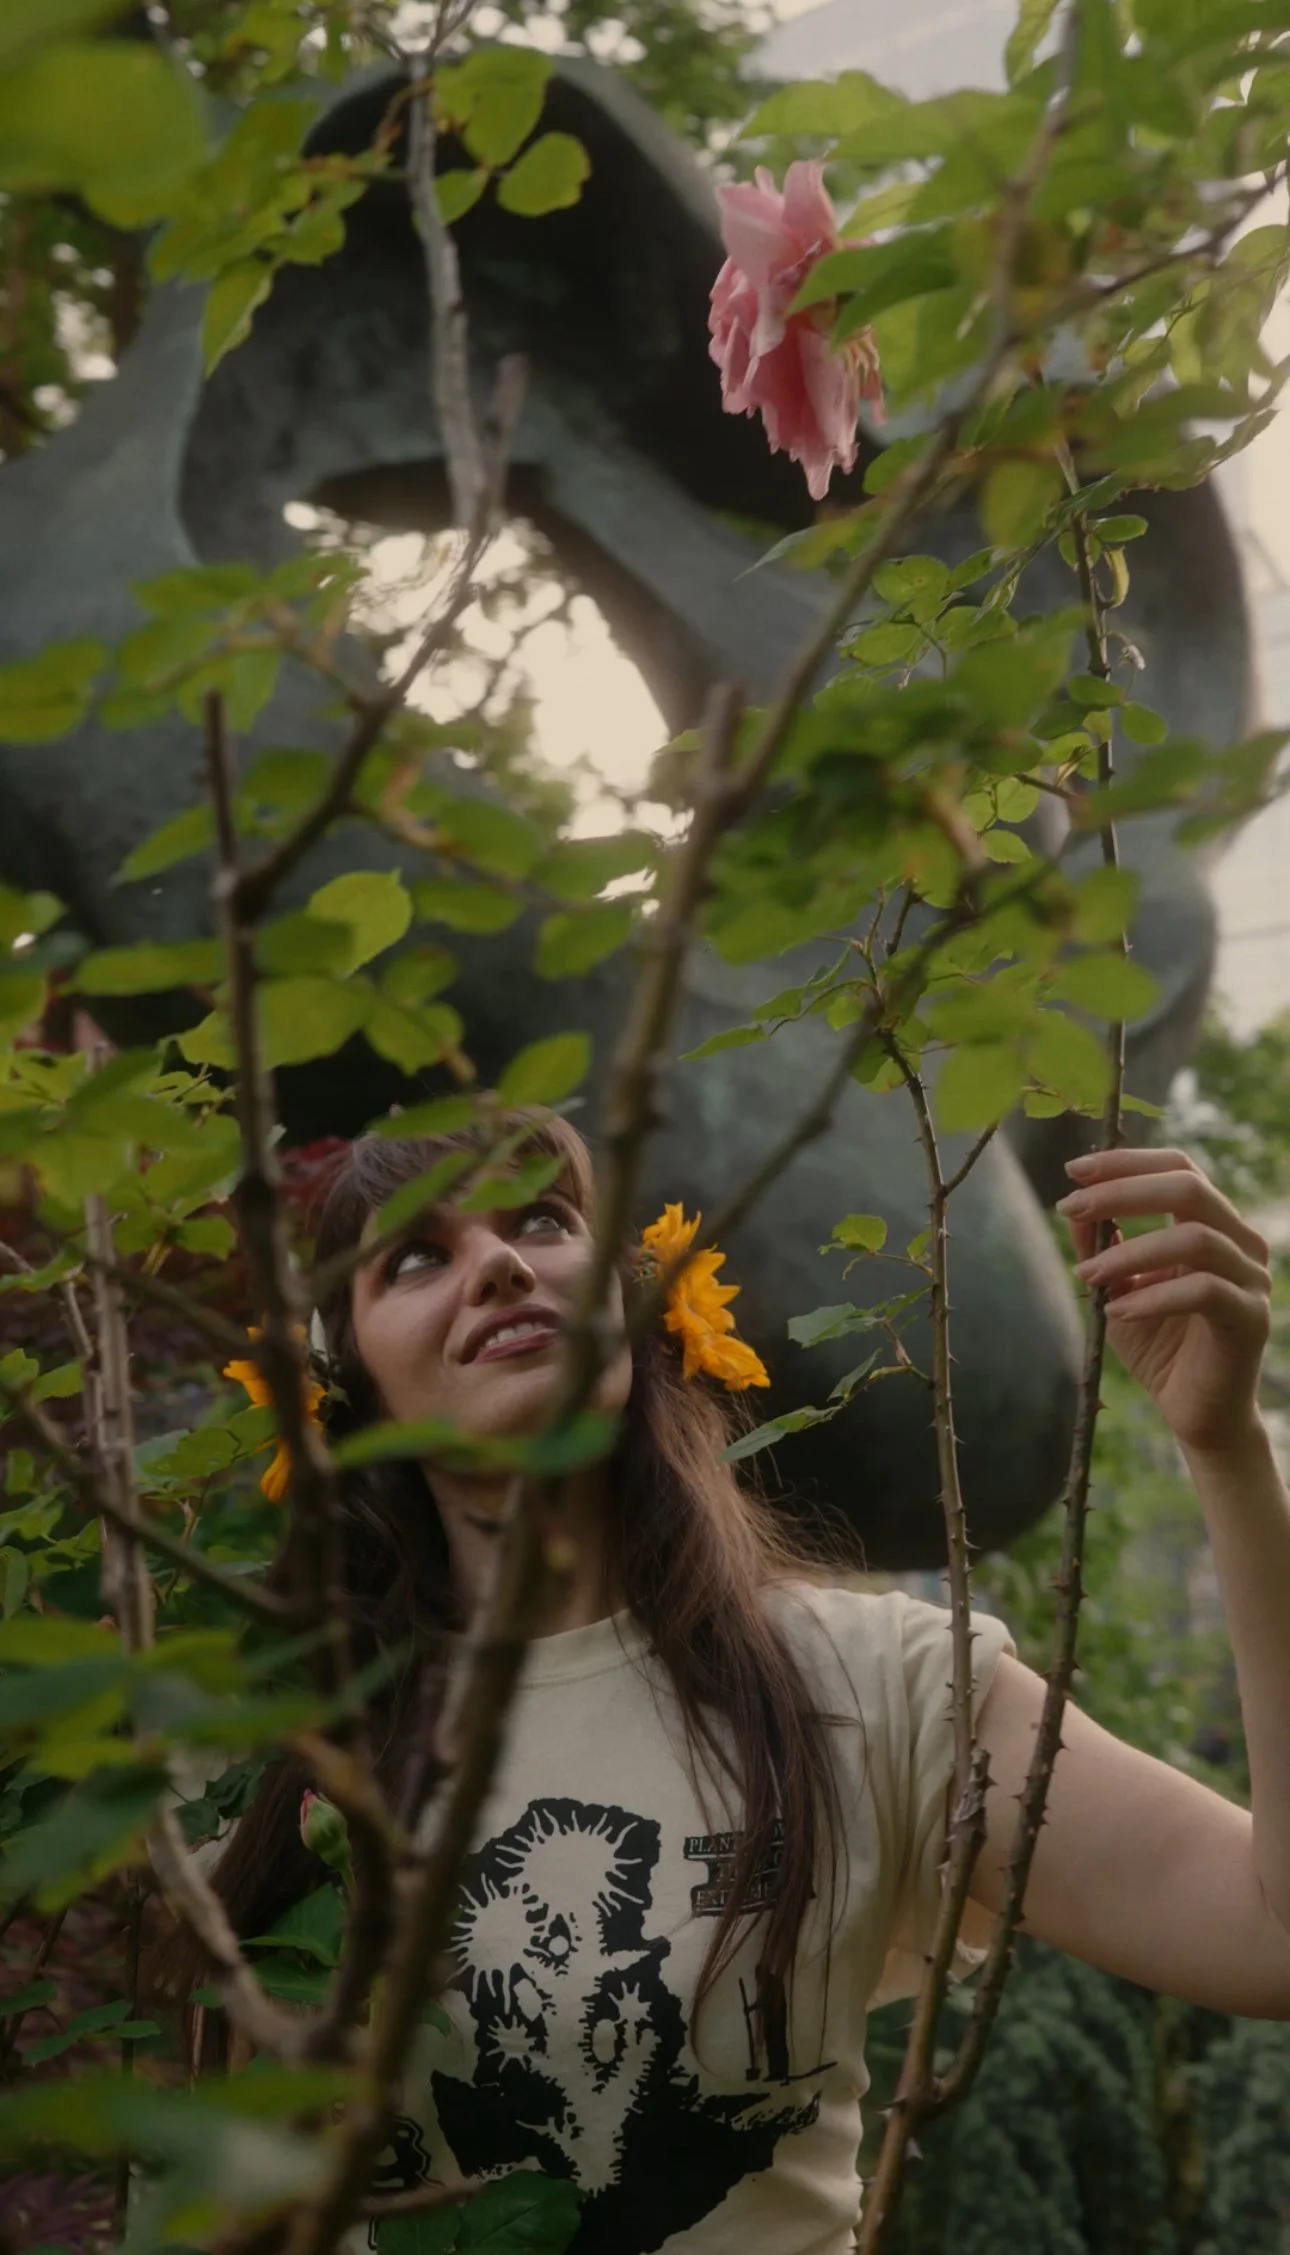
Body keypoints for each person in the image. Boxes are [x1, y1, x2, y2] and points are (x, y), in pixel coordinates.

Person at [199, 1109, 1290, 2255]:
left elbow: (1270, 1934)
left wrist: (1226, 1448)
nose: (502, 1262)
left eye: (544, 1219)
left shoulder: (874, 1683)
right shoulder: (308, 1750)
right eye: (418, 1254)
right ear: (342, 1385)